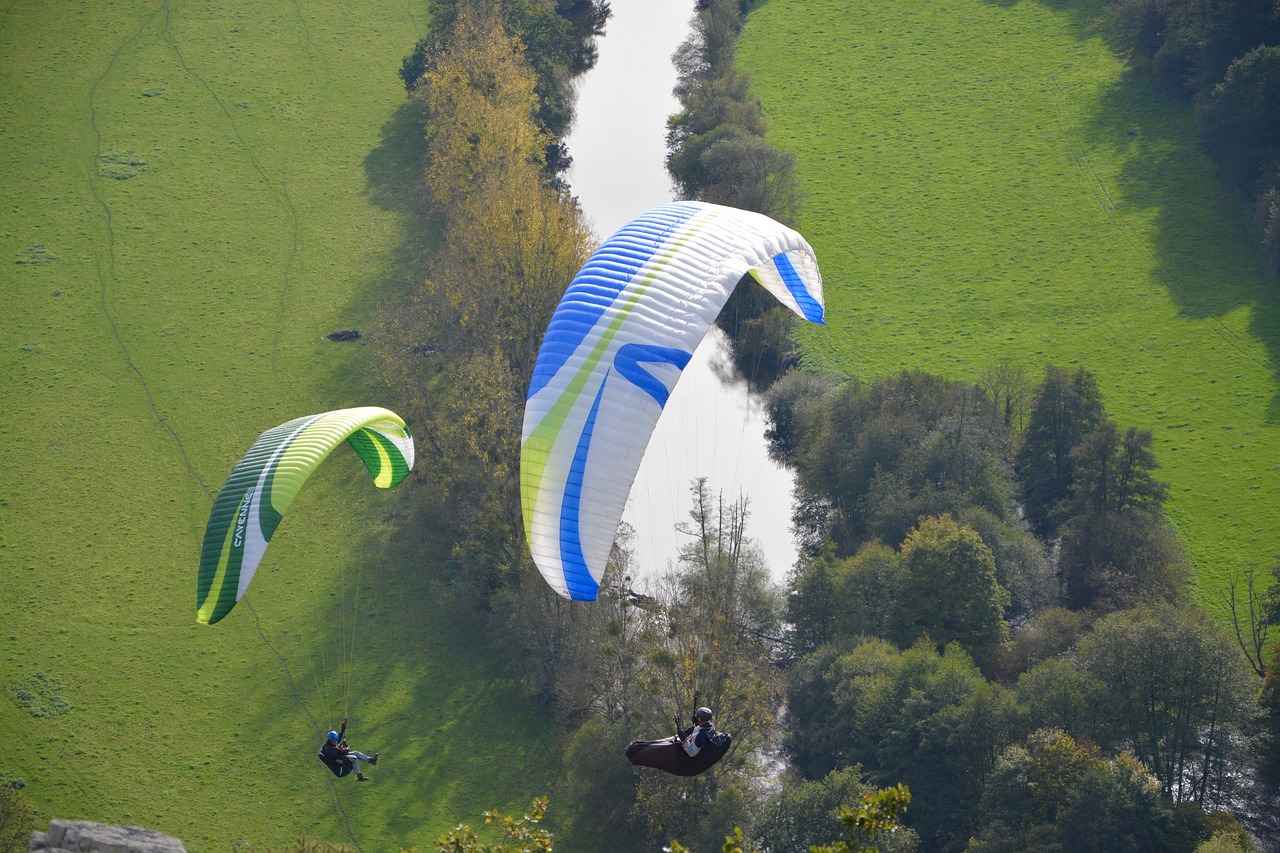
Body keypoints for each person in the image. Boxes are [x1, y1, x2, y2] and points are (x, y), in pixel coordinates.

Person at [624, 706, 732, 777]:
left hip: (686, 764)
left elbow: (691, 751)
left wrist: (681, 732)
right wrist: (694, 726)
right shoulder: (708, 727)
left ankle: (635, 753)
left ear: (699, 719)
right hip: (690, 761)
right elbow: (696, 731)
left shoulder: (702, 736)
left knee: (657, 751)